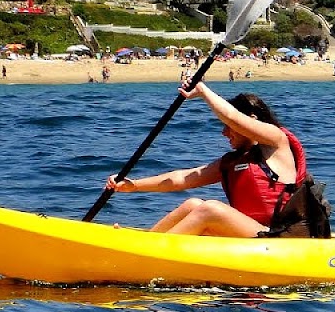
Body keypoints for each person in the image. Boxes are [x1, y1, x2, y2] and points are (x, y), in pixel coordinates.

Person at [106, 83, 309, 238]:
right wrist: (133, 186)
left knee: (210, 209)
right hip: (252, 235)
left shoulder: (276, 142)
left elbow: (231, 116)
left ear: (251, 121)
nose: (224, 132)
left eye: (228, 127)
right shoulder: (231, 162)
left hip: (279, 237)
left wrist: (202, 90)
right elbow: (182, 179)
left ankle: (147, 254)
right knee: (192, 204)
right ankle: (146, 244)